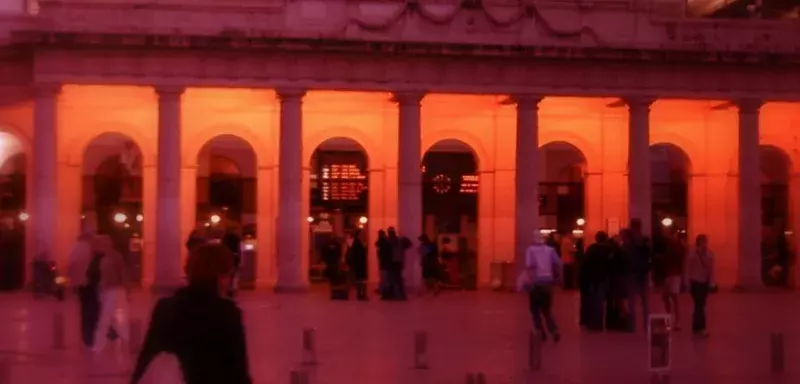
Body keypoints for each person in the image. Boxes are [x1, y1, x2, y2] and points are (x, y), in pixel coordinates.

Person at [131, 244, 252, 384]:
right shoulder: (227, 313)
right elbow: (237, 370)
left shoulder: (166, 307)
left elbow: (147, 354)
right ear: (223, 276)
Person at [92, 235, 131, 353]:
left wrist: (125, 289)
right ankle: (124, 339)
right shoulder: (105, 258)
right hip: (108, 290)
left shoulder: (114, 257)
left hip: (115, 290)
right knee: (111, 318)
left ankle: (100, 345)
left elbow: (122, 273)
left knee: (107, 318)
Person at [522, 232, 563, 342]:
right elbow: (559, 263)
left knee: (535, 309)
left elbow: (529, 266)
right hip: (548, 283)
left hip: (536, 284)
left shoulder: (530, 250)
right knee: (546, 310)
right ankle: (554, 330)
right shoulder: (550, 250)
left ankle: (540, 332)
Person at [67, 232, 97, 348]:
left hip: (80, 284)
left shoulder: (75, 250)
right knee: (92, 310)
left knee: (84, 311)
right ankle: (91, 336)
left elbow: (71, 267)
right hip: (90, 283)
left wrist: (72, 283)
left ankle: (86, 336)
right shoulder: (90, 250)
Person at [581, 231, 613, 331]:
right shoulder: (610, 249)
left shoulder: (592, 249)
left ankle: (593, 323)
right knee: (601, 300)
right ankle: (601, 323)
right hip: (604, 277)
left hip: (592, 277)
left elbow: (585, 263)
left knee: (593, 300)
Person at [624, 218, 652, 333]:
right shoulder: (646, 240)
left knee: (632, 302)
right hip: (643, 273)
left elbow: (626, 256)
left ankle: (632, 326)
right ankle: (646, 325)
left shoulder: (629, 242)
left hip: (632, 273)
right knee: (645, 303)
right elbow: (650, 254)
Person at [685, 234, 715, 338]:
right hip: (695, 281)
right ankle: (701, 327)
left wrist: (712, 282)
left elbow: (711, 269)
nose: (704, 243)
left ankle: (697, 326)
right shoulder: (693, 254)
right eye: (703, 241)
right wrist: (687, 283)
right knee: (699, 304)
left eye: (705, 241)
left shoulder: (709, 254)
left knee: (700, 304)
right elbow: (688, 268)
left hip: (704, 282)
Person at [660, 229, 685, 330]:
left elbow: (682, 260)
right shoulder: (666, 245)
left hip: (675, 274)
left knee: (675, 298)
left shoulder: (678, 247)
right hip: (667, 274)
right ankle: (669, 318)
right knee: (665, 298)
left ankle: (677, 321)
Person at [385, 227, 411, 301]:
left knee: (392, 279)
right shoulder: (399, 241)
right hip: (397, 262)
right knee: (397, 279)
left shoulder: (389, 241)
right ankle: (399, 294)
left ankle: (396, 294)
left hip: (392, 262)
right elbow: (408, 244)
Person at [345, 230, 368, 301]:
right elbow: (356, 253)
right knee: (360, 279)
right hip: (359, 263)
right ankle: (361, 294)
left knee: (360, 279)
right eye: (362, 234)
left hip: (360, 263)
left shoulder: (358, 242)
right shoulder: (357, 242)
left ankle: (361, 294)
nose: (364, 235)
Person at [321, 234, 345, 300]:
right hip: (334, 263)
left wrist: (324, 260)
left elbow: (323, 253)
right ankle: (335, 293)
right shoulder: (337, 245)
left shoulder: (326, 245)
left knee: (332, 279)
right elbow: (340, 254)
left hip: (329, 263)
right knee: (335, 279)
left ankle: (334, 293)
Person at [222, 227, 242, 298]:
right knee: (233, 275)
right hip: (234, 257)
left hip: (227, 257)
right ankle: (231, 289)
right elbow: (239, 250)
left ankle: (228, 289)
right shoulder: (236, 239)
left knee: (228, 274)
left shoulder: (225, 238)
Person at [375, 230, 392, 296]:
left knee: (384, 276)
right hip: (384, 261)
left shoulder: (383, 241)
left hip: (384, 262)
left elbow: (377, 243)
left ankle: (384, 289)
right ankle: (383, 288)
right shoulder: (386, 241)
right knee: (384, 275)